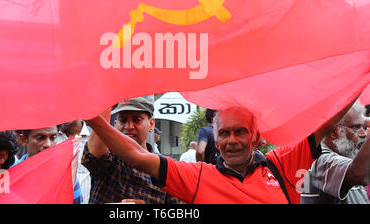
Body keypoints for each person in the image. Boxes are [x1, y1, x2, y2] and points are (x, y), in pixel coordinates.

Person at [86, 98, 356, 204]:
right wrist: (90, 117)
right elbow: (137, 156)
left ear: (257, 137)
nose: (232, 140)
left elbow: (328, 120)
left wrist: (361, 72)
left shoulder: (281, 164)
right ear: (215, 140)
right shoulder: (199, 176)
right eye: (224, 133)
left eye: (241, 131)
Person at [82, 97, 183, 204]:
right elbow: (93, 156)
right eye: (123, 120)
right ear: (115, 124)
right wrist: (107, 94)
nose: (129, 126)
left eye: (137, 120)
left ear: (151, 124)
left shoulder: (164, 168)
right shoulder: (110, 157)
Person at [301, 102, 370, 203]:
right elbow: (359, 174)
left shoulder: (347, 158)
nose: (363, 134)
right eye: (356, 127)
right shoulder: (320, 159)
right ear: (334, 132)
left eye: (363, 127)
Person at [15, 126, 84, 204]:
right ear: (23, 139)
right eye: (40, 138)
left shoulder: (67, 176)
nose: (48, 144)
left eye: (53, 138)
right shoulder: (10, 174)